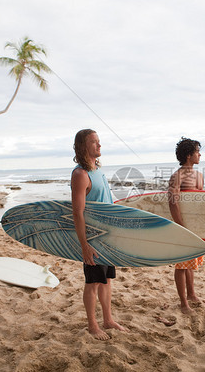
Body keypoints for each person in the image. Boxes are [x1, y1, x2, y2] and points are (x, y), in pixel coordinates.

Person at [71, 128, 128, 340]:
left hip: (107, 237)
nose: (99, 145)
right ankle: (93, 325)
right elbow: (77, 213)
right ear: (83, 147)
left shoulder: (98, 171)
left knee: (106, 281)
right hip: (93, 239)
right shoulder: (80, 174)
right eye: (94, 142)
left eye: (99, 141)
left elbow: (106, 203)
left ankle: (107, 319)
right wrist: (84, 245)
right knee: (92, 282)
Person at [168, 137, 204, 314]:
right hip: (181, 226)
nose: (199, 154)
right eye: (197, 151)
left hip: (194, 227)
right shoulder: (177, 176)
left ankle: (191, 294)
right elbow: (173, 203)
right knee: (181, 265)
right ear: (189, 155)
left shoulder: (199, 176)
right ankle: (183, 303)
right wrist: (180, 226)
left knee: (191, 261)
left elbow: (200, 204)